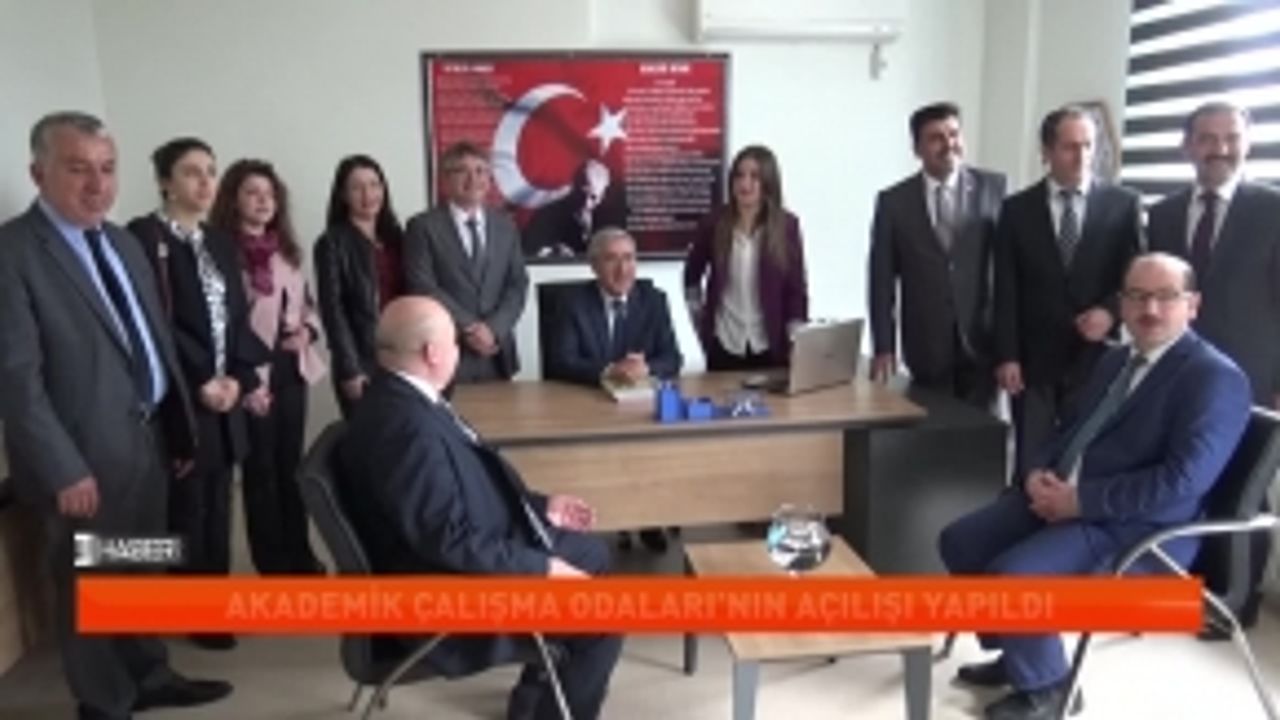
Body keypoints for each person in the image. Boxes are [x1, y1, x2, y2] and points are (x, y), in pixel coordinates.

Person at [939, 253, 1251, 720]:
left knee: (1016, 578)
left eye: (1166, 297)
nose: (1150, 309)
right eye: (1137, 296)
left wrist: (1080, 502)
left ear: (1193, 305)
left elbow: (1184, 480)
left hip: (1139, 530)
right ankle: (1023, 653)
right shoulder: (1115, 360)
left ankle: (1051, 690)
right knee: (961, 541)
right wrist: (1036, 472)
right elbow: (1069, 430)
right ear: (1121, 305)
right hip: (1069, 499)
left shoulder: (1214, 377)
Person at [0, 112, 232, 720]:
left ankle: (148, 675)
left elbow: (153, 342)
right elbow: (17, 382)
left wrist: (178, 430)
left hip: (146, 443)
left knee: (139, 563)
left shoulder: (123, 242)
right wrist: (61, 468)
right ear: (38, 173)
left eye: (107, 168)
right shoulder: (13, 253)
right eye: (78, 169)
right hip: (81, 458)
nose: (97, 184)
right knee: (93, 580)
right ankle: (104, 701)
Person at [337, 296, 622, 720]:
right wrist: (540, 569)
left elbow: (461, 488)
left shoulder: (403, 397)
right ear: (433, 353)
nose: (459, 350)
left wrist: (540, 507)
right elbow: (446, 539)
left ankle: (533, 700)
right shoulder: (405, 428)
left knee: (593, 553)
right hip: (444, 593)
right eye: (454, 341)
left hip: (460, 556)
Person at [126, 137, 268, 651]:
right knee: (186, 509)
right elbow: (152, 322)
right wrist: (199, 380)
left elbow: (235, 318)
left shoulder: (219, 243)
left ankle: (215, 604)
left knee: (218, 504)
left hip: (223, 393)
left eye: (210, 171)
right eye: (191, 172)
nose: (205, 182)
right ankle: (195, 609)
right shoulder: (143, 238)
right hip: (182, 396)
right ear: (166, 181)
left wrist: (238, 379)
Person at [1146, 100, 1280, 631]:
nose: (1220, 148)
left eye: (1231, 138)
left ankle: (1236, 605)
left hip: (1252, 380)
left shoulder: (1272, 209)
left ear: (1247, 144)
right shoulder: (1162, 213)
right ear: (1187, 146)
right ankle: (1187, 593)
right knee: (1188, 481)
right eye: (1207, 138)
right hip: (1177, 377)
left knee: (1244, 491)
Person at [994, 106, 1143, 475]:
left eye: (1088, 146)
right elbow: (1005, 287)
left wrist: (1110, 312)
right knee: (1031, 462)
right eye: (1070, 147)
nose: (1081, 156)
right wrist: (1008, 355)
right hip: (1034, 361)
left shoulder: (1123, 205)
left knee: (1083, 461)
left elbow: (1136, 277)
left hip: (1097, 358)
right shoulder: (1016, 210)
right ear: (1046, 152)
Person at [208, 159, 326, 575]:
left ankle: (300, 555)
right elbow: (226, 324)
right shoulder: (221, 254)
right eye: (252, 193)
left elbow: (308, 306)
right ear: (233, 200)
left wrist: (307, 332)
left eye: (270, 194)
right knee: (260, 473)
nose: (263, 201)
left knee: (291, 467)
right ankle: (273, 565)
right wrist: (248, 382)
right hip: (250, 374)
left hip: (292, 369)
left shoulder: (285, 250)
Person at [545, 226, 682, 553]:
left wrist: (647, 368)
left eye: (629, 258)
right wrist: (610, 371)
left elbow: (672, 358)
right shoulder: (572, 303)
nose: (623, 269)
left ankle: (648, 516)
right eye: (611, 260)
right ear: (594, 266)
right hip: (585, 408)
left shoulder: (653, 300)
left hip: (639, 411)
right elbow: (560, 360)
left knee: (655, 447)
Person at [868, 102, 1007, 407]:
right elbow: (881, 279)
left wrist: (1010, 348)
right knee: (933, 431)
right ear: (917, 149)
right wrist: (884, 346)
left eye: (954, 134)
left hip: (983, 344)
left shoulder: (994, 189)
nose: (948, 144)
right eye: (936, 138)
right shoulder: (894, 202)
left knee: (983, 432)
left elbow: (1009, 272)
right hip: (925, 346)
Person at [404, 141, 529, 385]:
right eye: (462, 171)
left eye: (481, 170)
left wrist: (494, 329)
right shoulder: (422, 227)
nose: (473, 179)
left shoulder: (506, 226)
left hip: (497, 353)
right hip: (446, 351)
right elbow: (422, 285)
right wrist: (470, 327)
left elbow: (517, 284)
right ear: (445, 180)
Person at [684, 144, 809, 370]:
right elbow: (692, 276)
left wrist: (796, 340)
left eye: (754, 176)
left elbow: (796, 290)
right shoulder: (714, 223)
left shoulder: (787, 226)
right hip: (725, 343)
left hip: (770, 344)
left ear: (768, 182)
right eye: (739, 175)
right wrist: (702, 326)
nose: (745, 183)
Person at [314, 154, 406, 417]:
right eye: (357, 187)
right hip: (364, 360)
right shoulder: (332, 242)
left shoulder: (397, 237)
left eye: (374, 185)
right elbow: (333, 310)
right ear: (343, 195)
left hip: (403, 355)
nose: (368, 195)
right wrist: (350, 368)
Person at [523, 158, 627, 259]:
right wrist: (552, 252)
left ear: (603, 195)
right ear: (574, 186)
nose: (586, 203)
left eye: (593, 197)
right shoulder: (548, 216)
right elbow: (529, 254)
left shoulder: (612, 220)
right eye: (582, 194)